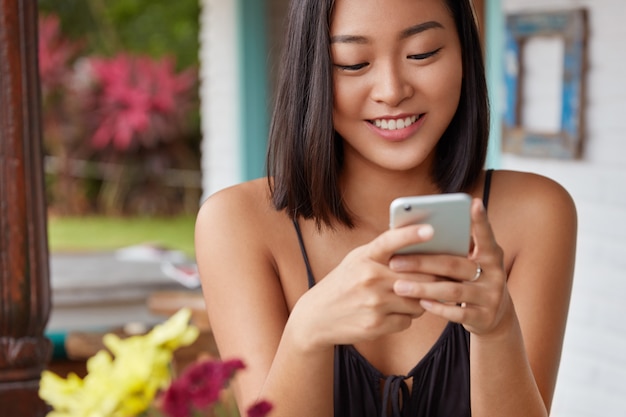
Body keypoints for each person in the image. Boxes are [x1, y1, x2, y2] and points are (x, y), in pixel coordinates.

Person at [194, 0, 577, 415]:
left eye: (423, 53)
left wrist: (498, 329)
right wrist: (307, 330)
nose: (392, 91)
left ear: (466, 54)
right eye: (353, 63)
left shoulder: (536, 213)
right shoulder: (236, 224)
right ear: (313, 72)